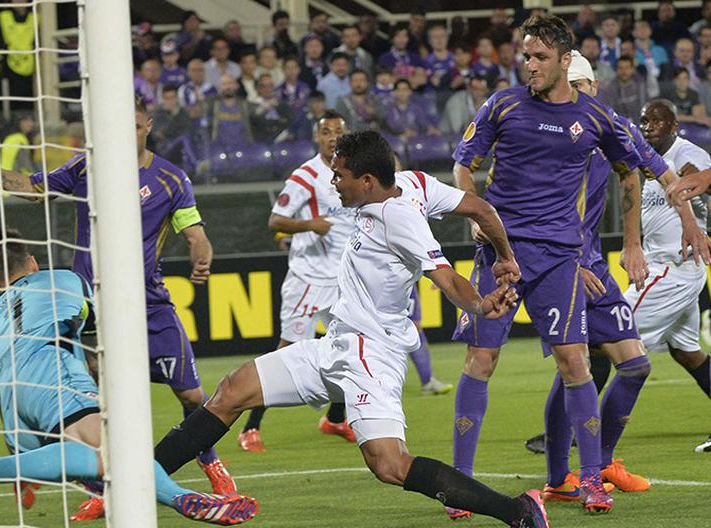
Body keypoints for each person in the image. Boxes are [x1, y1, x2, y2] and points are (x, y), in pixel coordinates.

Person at [152, 130, 551, 528]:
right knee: (232, 390)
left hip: (372, 354)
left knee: (390, 465)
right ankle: (140, 480)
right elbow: (481, 209)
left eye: (339, 175)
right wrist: (505, 258)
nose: (333, 182)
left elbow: (445, 278)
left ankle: (518, 512)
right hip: (338, 343)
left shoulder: (401, 220)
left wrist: (481, 304)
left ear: (366, 181)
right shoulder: (414, 183)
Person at [0, 96, 238, 520]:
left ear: (147, 126)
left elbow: (194, 230)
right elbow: (34, 188)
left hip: (147, 302)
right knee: (92, 401)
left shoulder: (171, 179)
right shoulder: (88, 168)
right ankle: (105, 486)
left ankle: (209, 459)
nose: (127, 134)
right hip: (89, 305)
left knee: (192, 394)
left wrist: (202, 252)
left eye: (135, 126)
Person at [0, 228, 258, 528]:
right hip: (56, 371)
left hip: (21, 400)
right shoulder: (64, 279)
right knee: (117, 453)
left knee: (105, 460)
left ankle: (181, 500)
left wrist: (25, 463)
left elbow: (4, 398)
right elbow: (100, 333)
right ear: (32, 262)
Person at [448, 14, 646, 518]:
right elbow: (462, 165)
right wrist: (472, 209)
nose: (529, 65)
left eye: (539, 57)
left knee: (575, 363)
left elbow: (631, 169)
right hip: (501, 253)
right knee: (481, 361)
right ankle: (460, 486)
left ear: (563, 59)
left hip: (559, 258)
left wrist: (639, 237)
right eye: (526, 56)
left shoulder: (596, 118)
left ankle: (593, 481)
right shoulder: (503, 104)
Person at [534, 50, 709, 500]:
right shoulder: (544, 136)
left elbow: (646, 169)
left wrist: (682, 222)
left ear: (593, 87)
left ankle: (598, 460)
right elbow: (532, 206)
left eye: (582, 86)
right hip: (557, 262)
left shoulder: (609, 126)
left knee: (632, 362)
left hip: (613, 264)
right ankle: (563, 472)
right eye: (567, 88)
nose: (575, 96)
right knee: (578, 358)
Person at [239, 110, 357, 452]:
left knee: (352, 347)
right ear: (316, 138)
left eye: (338, 130)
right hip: (308, 278)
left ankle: (335, 419)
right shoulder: (306, 176)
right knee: (286, 353)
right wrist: (310, 225)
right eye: (326, 131)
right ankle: (250, 428)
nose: (332, 136)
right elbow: (276, 219)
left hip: (343, 279)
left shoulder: (351, 172)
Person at [628, 99, 711, 454]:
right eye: (644, 120)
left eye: (657, 121)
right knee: (686, 351)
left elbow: (696, 177)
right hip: (664, 266)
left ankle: (575, 431)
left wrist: (687, 186)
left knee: (609, 335)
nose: (648, 126)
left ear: (674, 126)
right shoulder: (644, 160)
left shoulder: (686, 153)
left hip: (675, 268)